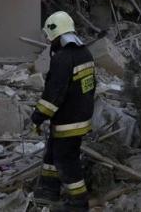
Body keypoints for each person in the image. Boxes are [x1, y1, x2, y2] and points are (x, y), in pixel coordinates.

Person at [31, 11, 95, 211]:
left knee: (66, 160)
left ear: (55, 35)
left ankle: (78, 202)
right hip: (80, 116)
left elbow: (53, 95)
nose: (49, 41)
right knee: (52, 153)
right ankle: (48, 189)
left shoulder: (62, 59)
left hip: (68, 120)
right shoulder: (85, 54)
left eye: (50, 37)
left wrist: (37, 117)